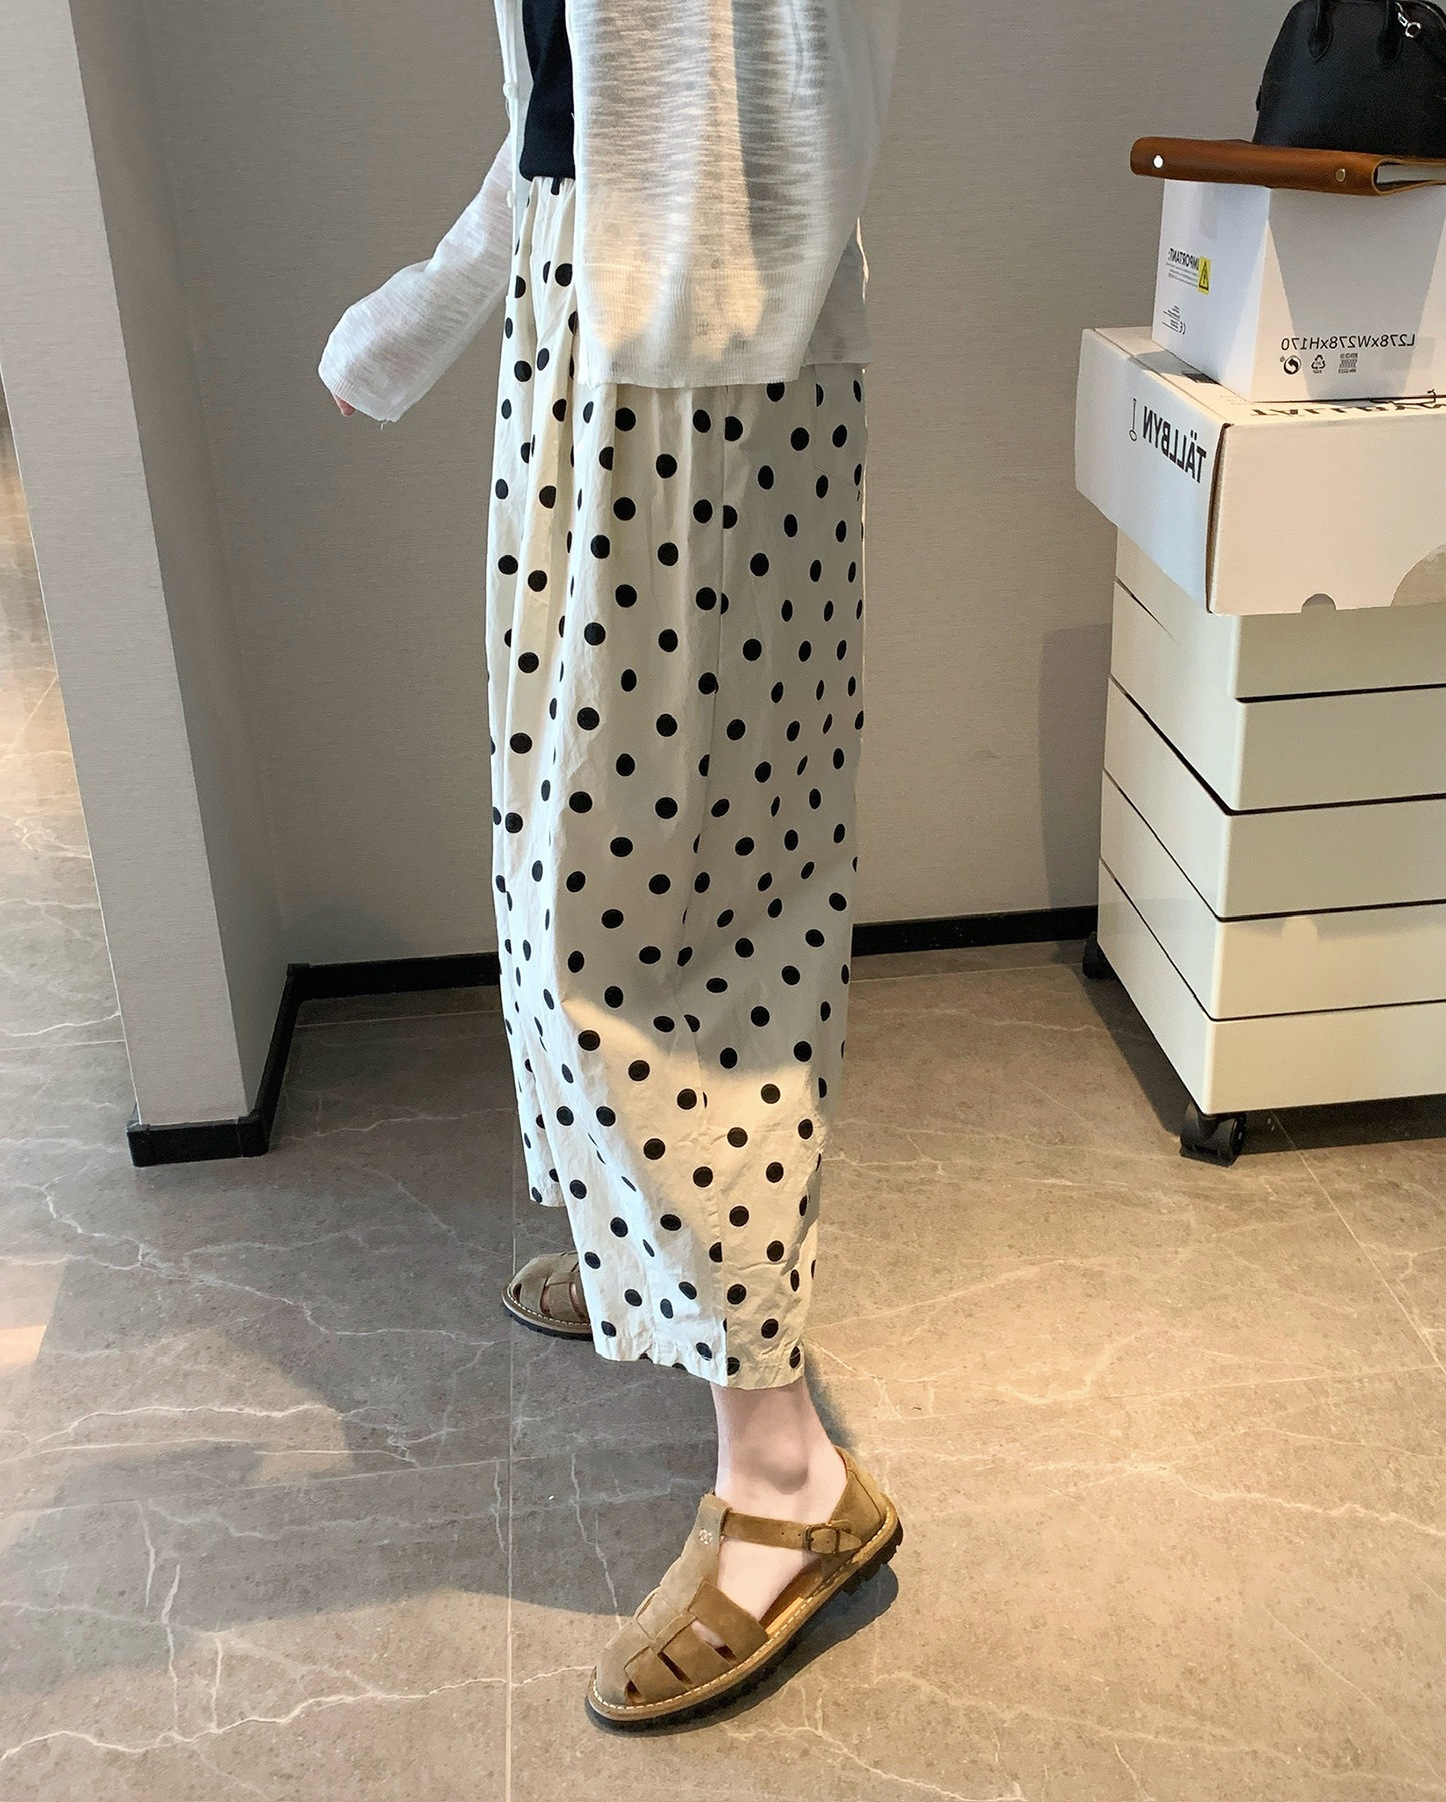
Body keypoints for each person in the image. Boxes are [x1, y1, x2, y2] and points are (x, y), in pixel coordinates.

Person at [320, 0, 901, 1729]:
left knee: (657, 918)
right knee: (549, 847)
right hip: (596, 329)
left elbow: (790, 68)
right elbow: (576, 113)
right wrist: (438, 301)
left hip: (697, 364)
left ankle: (788, 1479)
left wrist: (700, 336)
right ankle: (644, 1233)